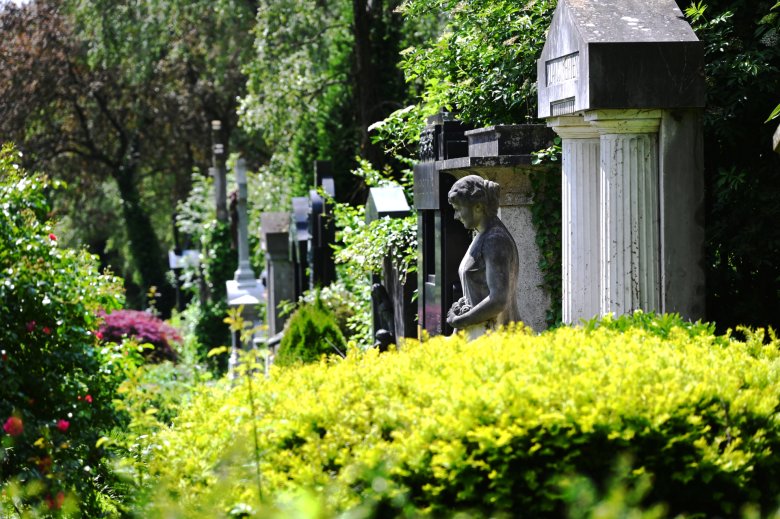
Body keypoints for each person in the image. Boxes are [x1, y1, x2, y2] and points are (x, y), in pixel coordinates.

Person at [446, 175, 520, 340]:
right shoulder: (482, 236)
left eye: (458, 209)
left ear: (478, 207)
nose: (455, 216)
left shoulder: (495, 240)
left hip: (493, 338)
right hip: (478, 335)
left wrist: (461, 320)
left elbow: (498, 300)